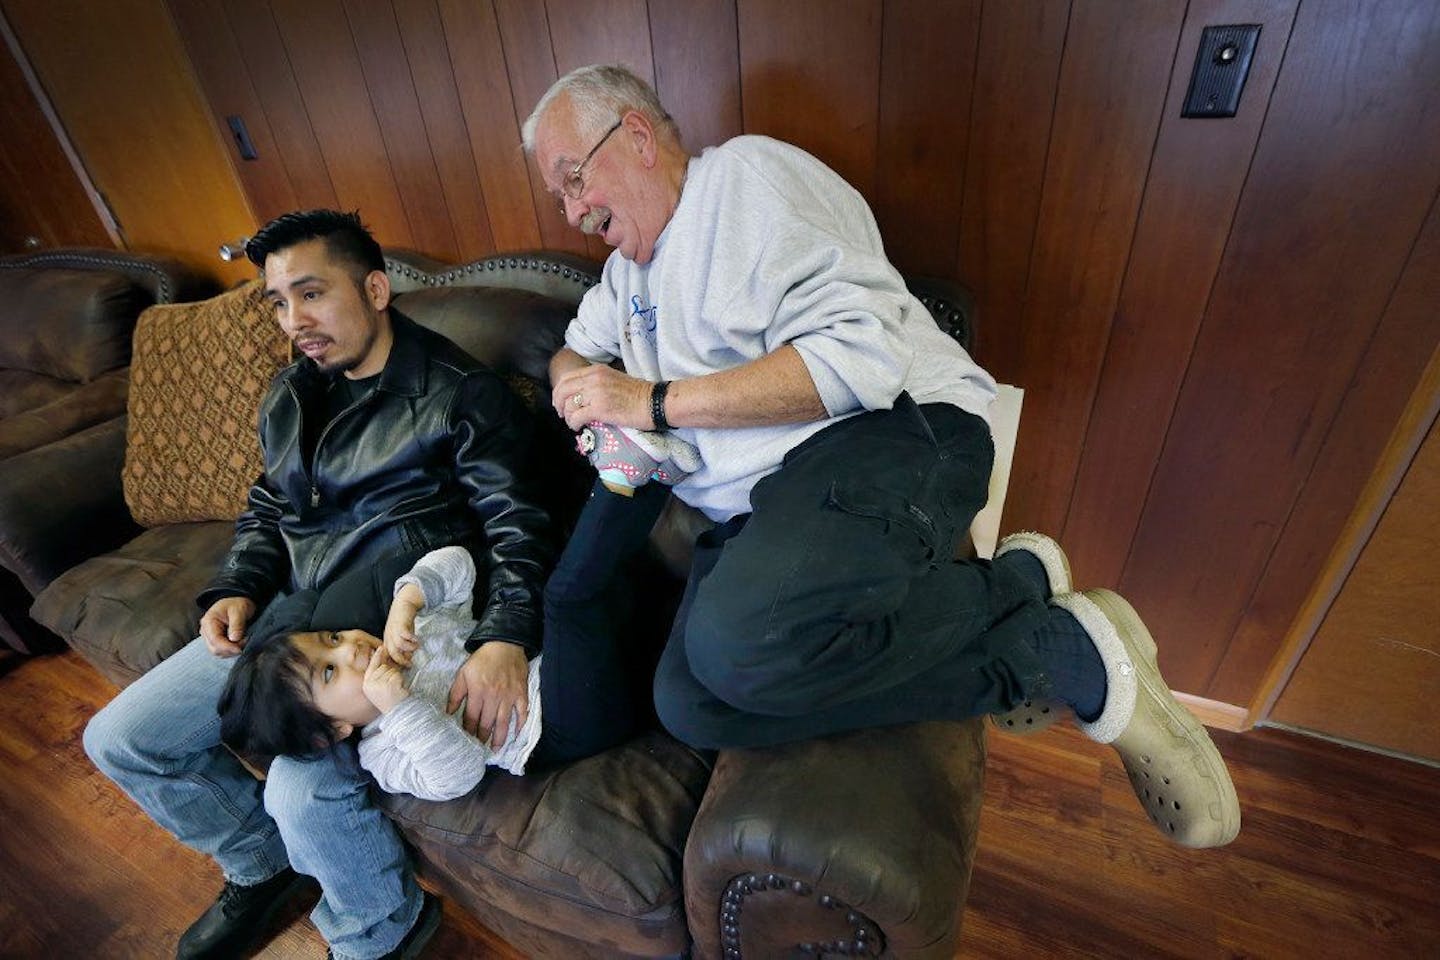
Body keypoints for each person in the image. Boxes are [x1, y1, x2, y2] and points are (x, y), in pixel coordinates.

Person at [520, 65, 1241, 849]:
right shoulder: (626, 277)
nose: (572, 209)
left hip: (896, 434)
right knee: (691, 702)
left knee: (742, 643)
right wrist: (577, 388)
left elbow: (856, 361)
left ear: (634, 135)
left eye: (573, 179)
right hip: (778, 511)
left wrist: (649, 402)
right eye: (558, 198)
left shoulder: (745, 183)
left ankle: (1068, 655)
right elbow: (569, 352)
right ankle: (1024, 593)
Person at [83, 209, 556, 960]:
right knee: (120, 739)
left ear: (374, 287)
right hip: (290, 617)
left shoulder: (460, 395)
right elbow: (271, 499)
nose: (293, 319)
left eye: (311, 293)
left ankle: (380, 927)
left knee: (299, 790)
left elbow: (519, 527)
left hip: (374, 634)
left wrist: (505, 633)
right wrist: (239, 582)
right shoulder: (292, 389)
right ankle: (259, 862)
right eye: (277, 301)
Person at [217, 543, 661, 801]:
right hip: (553, 729)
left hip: (559, 670)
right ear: (333, 731)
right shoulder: (384, 754)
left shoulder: (407, 633)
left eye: (332, 638)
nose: (351, 647)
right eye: (329, 673)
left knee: (608, 583)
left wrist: (407, 601)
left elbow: (459, 563)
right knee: (568, 597)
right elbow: (459, 775)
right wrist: (399, 707)